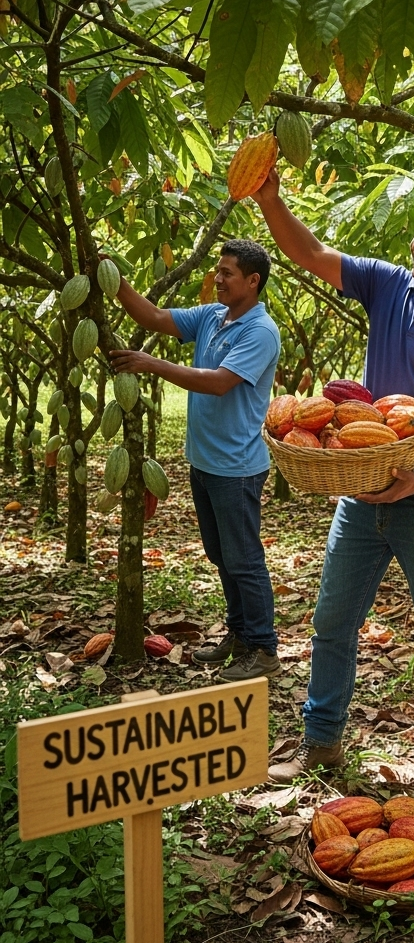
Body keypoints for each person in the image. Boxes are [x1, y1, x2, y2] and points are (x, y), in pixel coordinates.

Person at [251, 172, 414, 795]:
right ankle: (322, 745)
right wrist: (268, 199)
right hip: (361, 495)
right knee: (332, 622)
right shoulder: (390, 286)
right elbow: (310, 254)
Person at [108, 239, 282, 681]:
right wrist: (109, 275)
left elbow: (221, 382)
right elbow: (152, 316)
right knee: (221, 554)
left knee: (243, 559)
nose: (217, 279)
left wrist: (152, 364)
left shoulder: (259, 331)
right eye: (217, 271)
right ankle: (240, 635)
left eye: (226, 273)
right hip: (205, 462)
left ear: (252, 281)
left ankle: (263, 649)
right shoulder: (210, 316)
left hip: (237, 466)